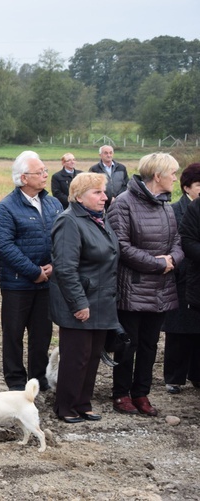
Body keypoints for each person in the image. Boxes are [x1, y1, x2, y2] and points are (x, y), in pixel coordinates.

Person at [107, 153, 183, 416]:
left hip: (161, 288)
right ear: (158, 175)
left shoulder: (166, 206)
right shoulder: (123, 204)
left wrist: (173, 259)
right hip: (133, 288)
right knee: (128, 343)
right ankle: (121, 394)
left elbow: (177, 240)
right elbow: (122, 247)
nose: (175, 177)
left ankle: (142, 393)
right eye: (172, 173)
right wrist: (157, 263)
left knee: (151, 345)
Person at [50, 173, 119, 423]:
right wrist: (79, 303)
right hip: (80, 303)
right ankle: (65, 406)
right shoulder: (69, 221)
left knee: (91, 357)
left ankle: (83, 403)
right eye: (97, 192)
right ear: (79, 197)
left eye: (104, 192)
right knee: (75, 357)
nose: (105, 197)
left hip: (101, 302)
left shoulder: (98, 219)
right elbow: (66, 268)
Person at [0, 151, 63, 391]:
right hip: (17, 284)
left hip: (47, 283)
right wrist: (34, 272)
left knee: (41, 335)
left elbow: (62, 238)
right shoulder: (5, 209)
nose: (45, 175)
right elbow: (5, 247)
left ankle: (38, 379)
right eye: (39, 172)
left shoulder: (53, 203)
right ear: (23, 178)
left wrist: (53, 264)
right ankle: (15, 382)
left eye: (45, 170)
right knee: (13, 334)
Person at [165, 164, 200, 393]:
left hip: (197, 277)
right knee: (178, 330)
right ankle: (174, 377)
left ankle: (196, 374)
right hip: (180, 276)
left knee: (197, 330)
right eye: (199, 185)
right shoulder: (175, 210)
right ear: (186, 188)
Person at [89, 145, 128, 210]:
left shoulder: (121, 168)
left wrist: (117, 198)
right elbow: (93, 188)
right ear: (100, 155)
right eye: (106, 153)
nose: (109, 155)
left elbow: (126, 185)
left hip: (120, 203)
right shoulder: (94, 169)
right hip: (102, 204)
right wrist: (109, 198)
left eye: (110, 153)